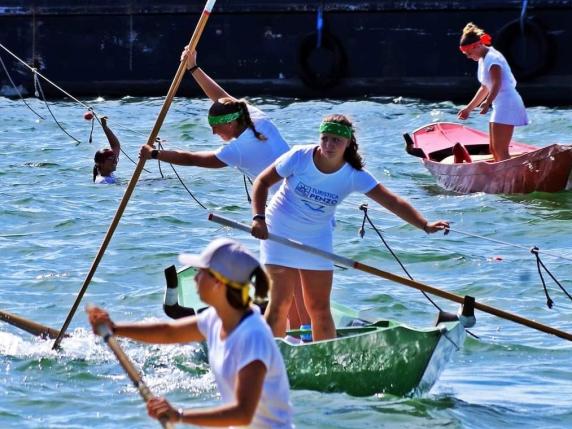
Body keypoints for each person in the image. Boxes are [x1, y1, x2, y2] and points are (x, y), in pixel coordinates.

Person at [140, 47, 309, 329]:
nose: (213, 134)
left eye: (216, 128)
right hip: (305, 203)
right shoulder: (256, 119)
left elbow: (192, 159)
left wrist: (155, 155)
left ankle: (298, 335)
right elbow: (222, 98)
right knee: (301, 271)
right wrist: (194, 69)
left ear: (231, 123)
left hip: (285, 213)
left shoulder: (241, 149)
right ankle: (304, 331)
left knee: (285, 277)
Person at [250, 114, 449, 341]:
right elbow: (262, 182)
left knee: (319, 308)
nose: (328, 145)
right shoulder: (299, 156)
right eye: (325, 138)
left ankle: (327, 362)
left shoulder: (353, 175)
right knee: (280, 302)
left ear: (348, 143)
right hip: (278, 230)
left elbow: (392, 202)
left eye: (336, 140)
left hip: (316, 237)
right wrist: (258, 218)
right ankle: (269, 358)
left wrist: (425, 225)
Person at [87, 238, 294, 428]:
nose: (195, 279)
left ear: (218, 283)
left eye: (200, 272)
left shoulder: (252, 336)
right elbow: (168, 333)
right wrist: (116, 329)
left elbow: (242, 414)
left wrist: (179, 415)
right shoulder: (215, 318)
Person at [457, 22, 529, 162]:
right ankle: (502, 178)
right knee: (494, 149)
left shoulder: (492, 58)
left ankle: (509, 181)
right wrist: (468, 109)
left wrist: (487, 102)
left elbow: (497, 82)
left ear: (477, 45)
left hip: (508, 103)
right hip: (500, 104)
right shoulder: (482, 59)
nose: (468, 57)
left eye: (469, 53)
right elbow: (485, 87)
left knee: (500, 150)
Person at [93, 116, 121, 184]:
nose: (115, 161)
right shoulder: (103, 181)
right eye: (111, 159)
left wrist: (105, 127)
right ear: (101, 163)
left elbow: (116, 146)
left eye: (115, 158)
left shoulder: (108, 174)